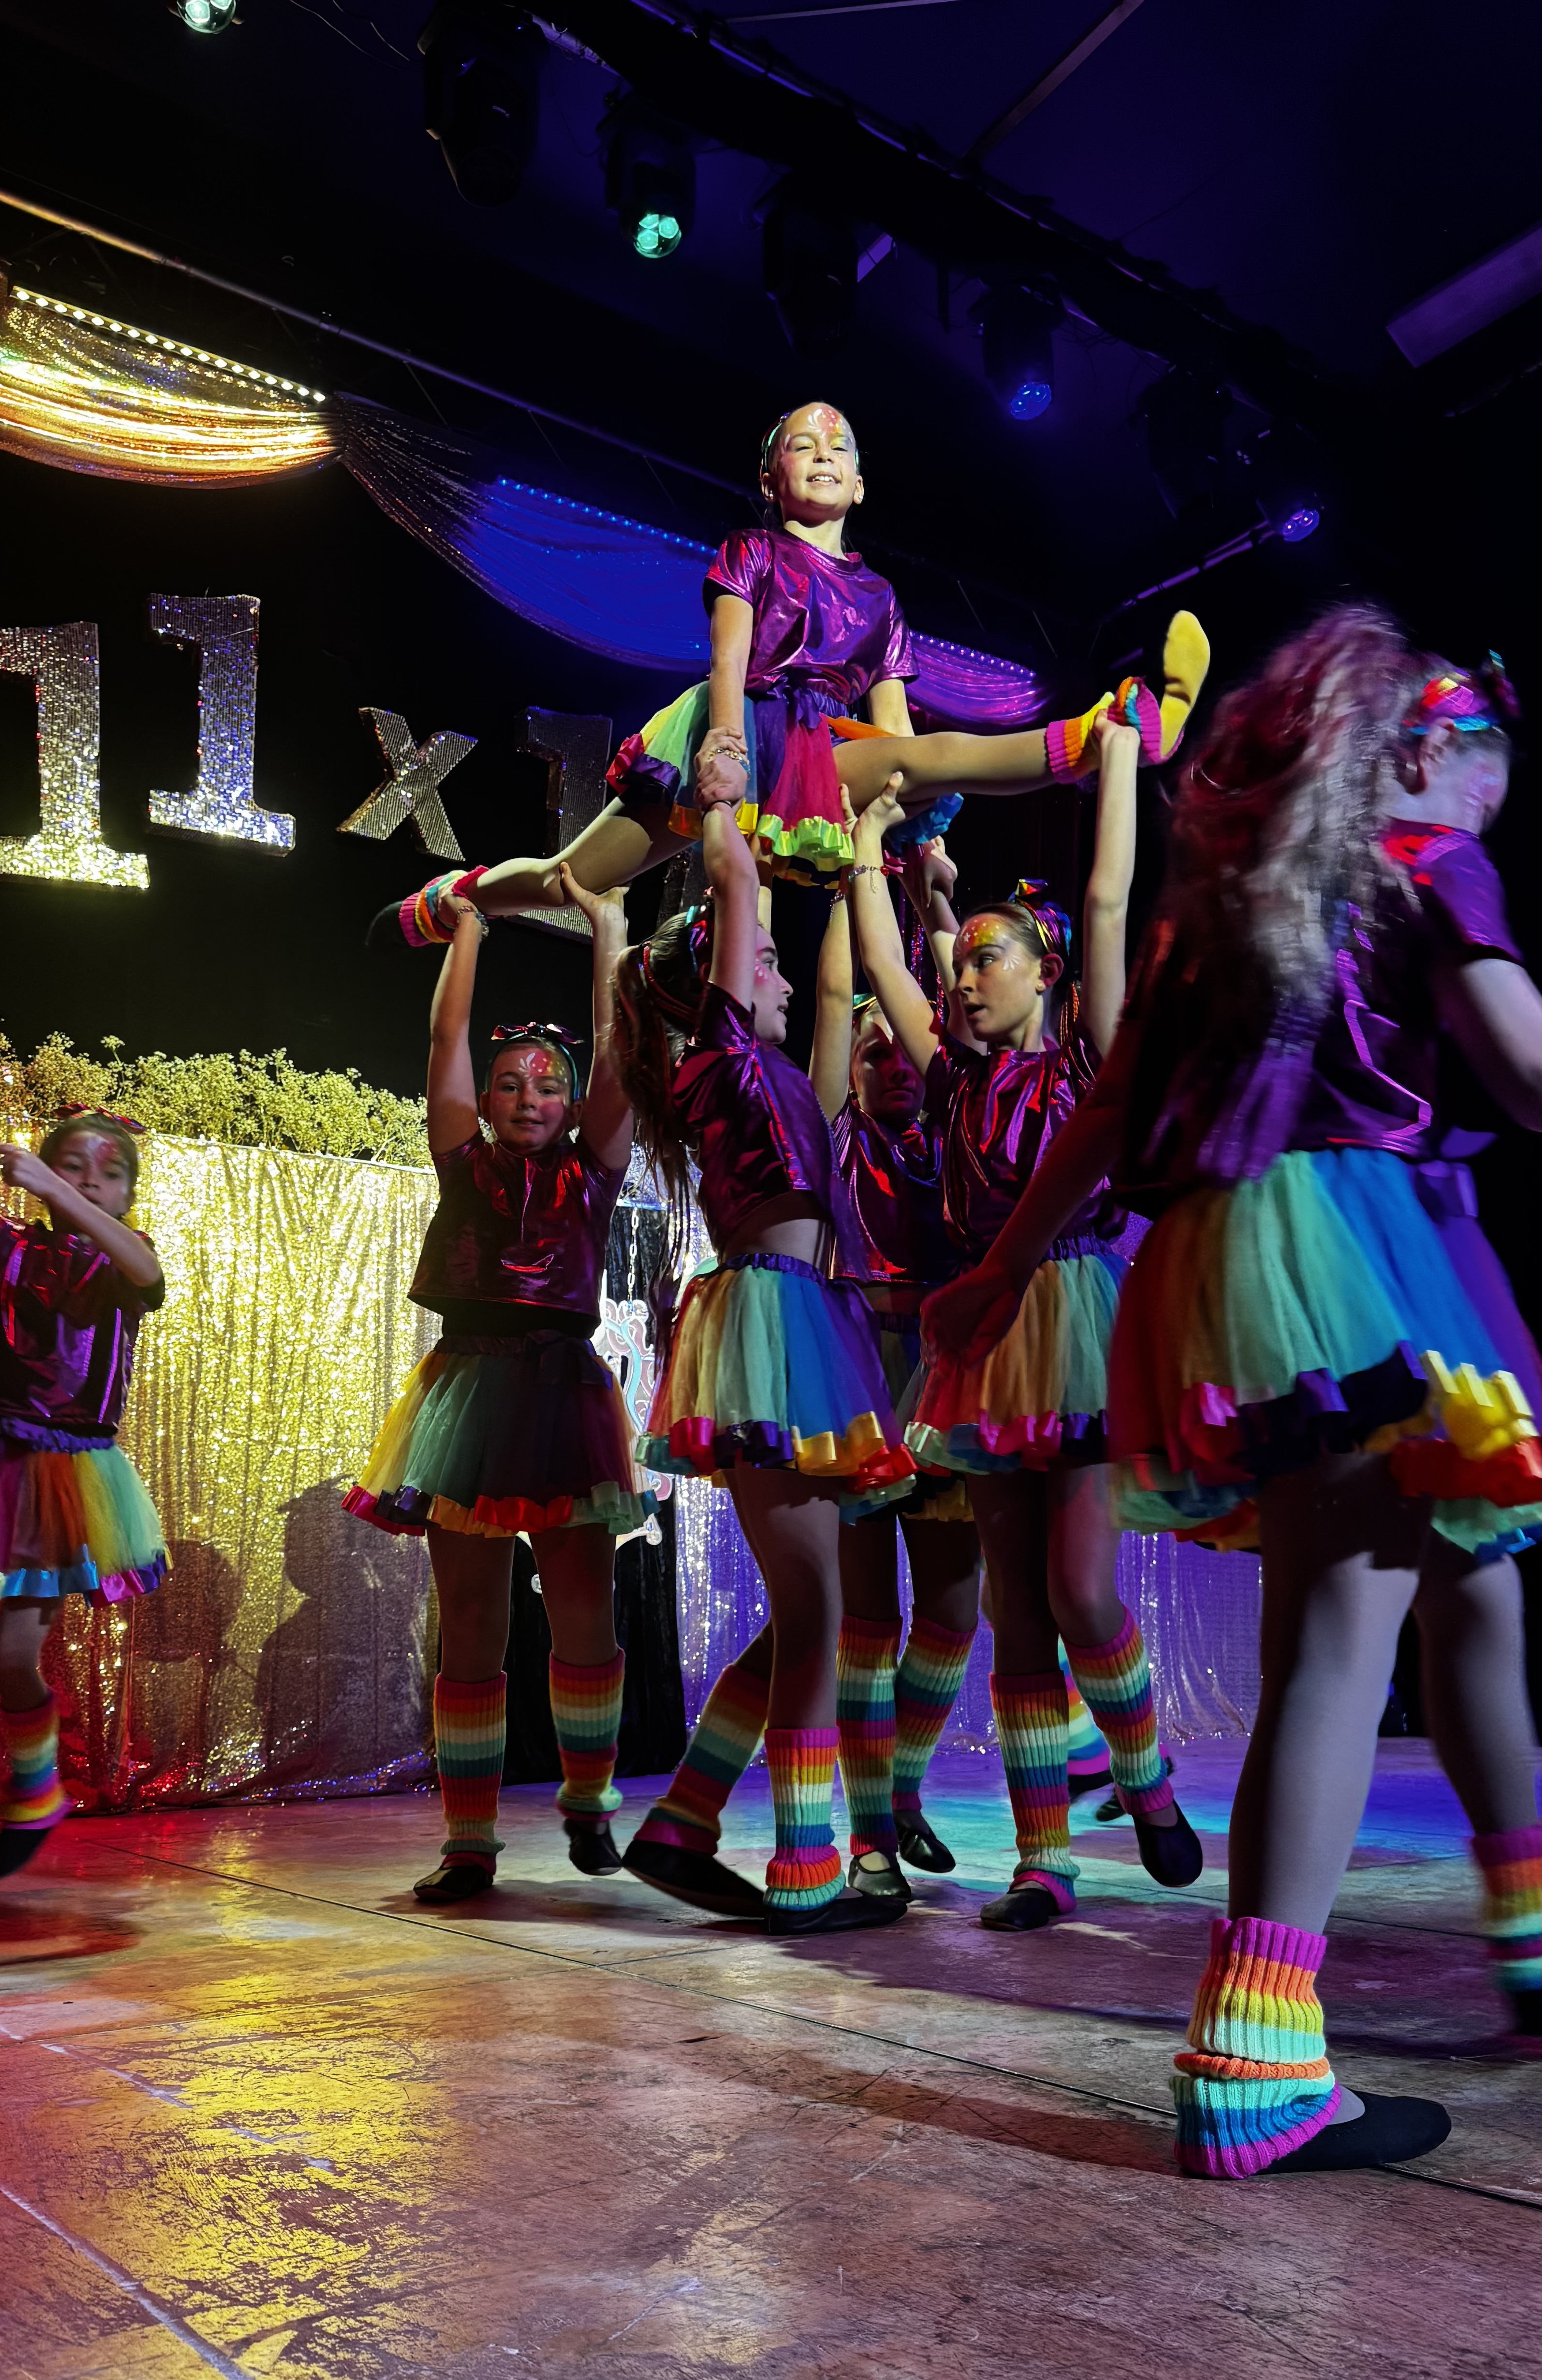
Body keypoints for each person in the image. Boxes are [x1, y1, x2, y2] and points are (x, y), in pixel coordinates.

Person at [925, 614, 1541, 2173]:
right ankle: (1255, 2058)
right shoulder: (1420, 858)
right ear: (1423, 749)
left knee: (1473, 1593)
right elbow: (1523, 1067)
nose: (1489, 802)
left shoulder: (1213, 912)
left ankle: (1529, 1937)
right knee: (1337, 1641)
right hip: (1348, 1255)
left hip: (1228, 1256)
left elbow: (1103, 1116)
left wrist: (1000, 1267)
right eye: (1486, 770)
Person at [386, 403, 1210, 936]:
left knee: (927, 753)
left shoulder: (880, 597)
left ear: (860, 485)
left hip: (827, 750)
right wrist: (723, 744)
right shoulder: (753, 550)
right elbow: (729, 655)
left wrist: (921, 833)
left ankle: (1108, 734)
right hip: (742, 726)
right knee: (570, 879)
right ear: (768, 477)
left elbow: (896, 731)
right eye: (801, 445)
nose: (822, 454)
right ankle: (456, 897)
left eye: (838, 447)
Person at [849, 732, 1201, 1929]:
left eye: (985, 960)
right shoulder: (951, 1078)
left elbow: (1105, 900)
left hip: (1081, 1319)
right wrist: (862, 846)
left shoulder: (1088, 1058)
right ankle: (1041, 1860)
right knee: (1016, 1614)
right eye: (959, 965)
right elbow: (885, 963)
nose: (963, 980)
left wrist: (1117, 758)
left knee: (1079, 1589)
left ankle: (1144, 1779)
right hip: (990, 1340)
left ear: (1044, 973)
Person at [611, 799, 916, 1935]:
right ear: (717, 983)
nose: (779, 976)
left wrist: (856, 875)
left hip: (807, 1325)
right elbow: (736, 888)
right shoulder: (720, 1057)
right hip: (768, 1329)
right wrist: (727, 793)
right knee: (814, 1614)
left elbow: (833, 995)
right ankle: (803, 1867)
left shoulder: (782, 1079)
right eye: (761, 962)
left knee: (808, 1617)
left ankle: (685, 1821)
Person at [345, 869, 650, 1903]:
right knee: (472, 1622)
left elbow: (617, 1047)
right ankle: (467, 1841)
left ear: (572, 1103)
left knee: (584, 1614)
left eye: (547, 1085)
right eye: (511, 1082)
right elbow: (445, 1040)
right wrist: (466, 926)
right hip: (468, 1391)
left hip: (563, 1396)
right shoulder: (461, 1160)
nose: (527, 1097)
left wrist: (607, 928)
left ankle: (589, 1801)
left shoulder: (593, 1170)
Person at [809, 871, 981, 1898]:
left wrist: (931, 910)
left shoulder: (960, 1119)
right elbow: (839, 997)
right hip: (862, 1372)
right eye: (872, 1053)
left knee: (953, 1611)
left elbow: (960, 1020)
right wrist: (848, 875)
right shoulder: (831, 1132)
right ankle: (870, 1830)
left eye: (901, 1052)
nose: (892, 1068)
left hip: (947, 1369)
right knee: (868, 1622)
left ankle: (900, 1788)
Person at [0, 1110, 168, 1878]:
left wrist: (58, 1192)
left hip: (57, 1476)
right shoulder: (8, 1245)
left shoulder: (123, 1260)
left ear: (128, 1193)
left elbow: (146, 1273)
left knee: (12, 1655)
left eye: (110, 1173)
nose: (91, 1181)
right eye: (71, 1165)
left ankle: (35, 1789)